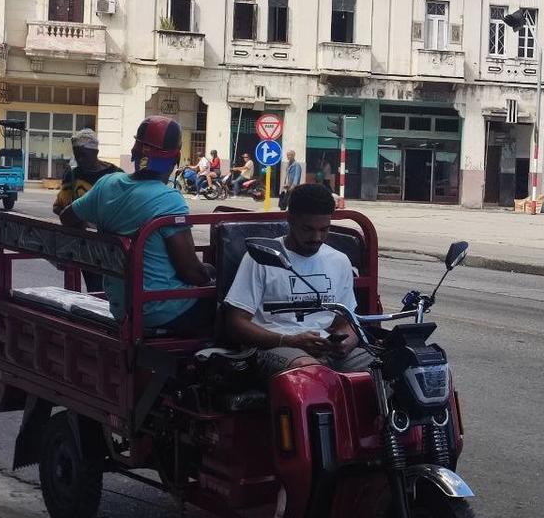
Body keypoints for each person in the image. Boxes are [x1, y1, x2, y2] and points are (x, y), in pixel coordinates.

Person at [59, 116, 216, 332]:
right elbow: (190, 271)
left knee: (209, 271)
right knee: (227, 305)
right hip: (163, 311)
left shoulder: (106, 184)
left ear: (135, 152)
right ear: (175, 158)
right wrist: (209, 277)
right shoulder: (169, 199)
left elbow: (67, 217)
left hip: (122, 308)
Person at [224, 183, 371, 378]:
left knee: (386, 367)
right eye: (308, 229)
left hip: (326, 348)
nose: (317, 237)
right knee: (309, 372)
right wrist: (288, 340)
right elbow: (235, 322)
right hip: (274, 347)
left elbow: (346, 321)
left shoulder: (339, 260)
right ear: (290, 220)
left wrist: (348, 341)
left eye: (324, 229)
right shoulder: (261, 257)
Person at [52, 129, 122, 292]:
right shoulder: (73, 175)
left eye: (84, 155)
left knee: (113, 289)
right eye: (77, 155)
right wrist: (78, 220)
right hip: (85, 245)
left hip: (112, 245)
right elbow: (58, 207)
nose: (80, 160)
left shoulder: (116, 174)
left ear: (96, 152)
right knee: (95, 289)